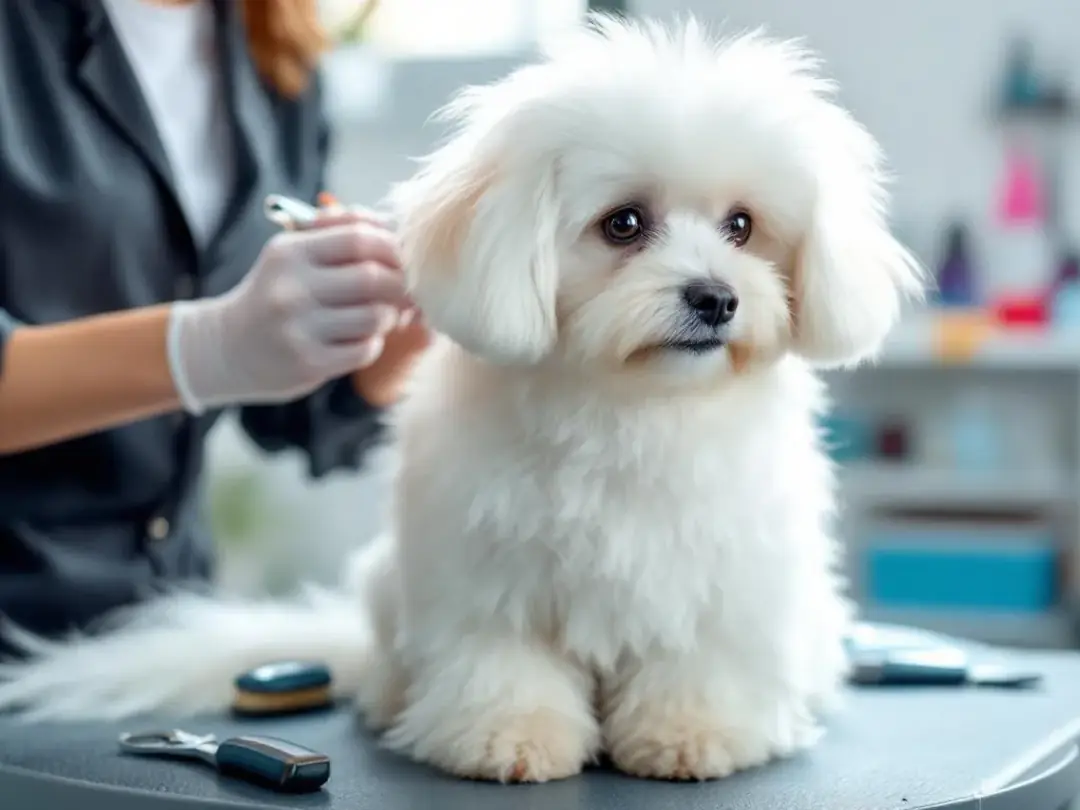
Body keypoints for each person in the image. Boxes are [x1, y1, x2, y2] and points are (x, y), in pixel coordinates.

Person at [0, 0, 432, 649]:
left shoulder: (275, 45)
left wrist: (403, 329)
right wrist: (208, 347)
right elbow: (234, 350)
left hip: (162, 627)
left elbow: (296, 413)